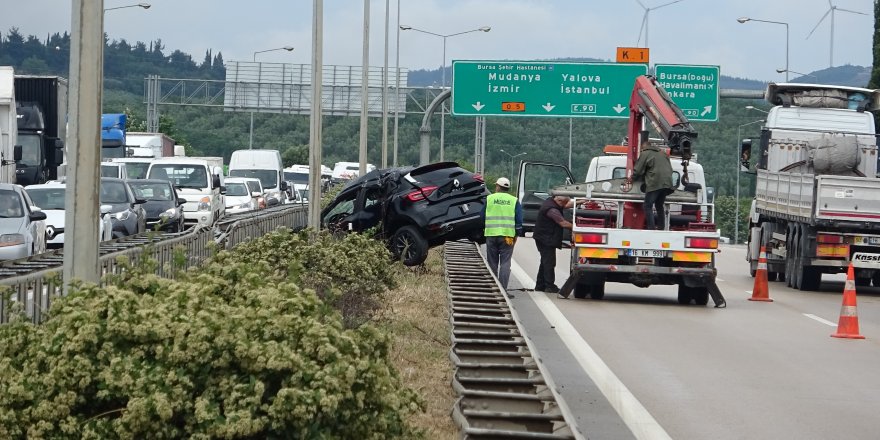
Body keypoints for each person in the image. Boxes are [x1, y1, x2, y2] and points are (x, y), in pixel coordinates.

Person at [483, 177, 522, 293]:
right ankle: (502, 290)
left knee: (492, 262)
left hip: (491, 235)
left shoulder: (489, 198)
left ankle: (493, 289)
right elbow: (519, 220)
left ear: (498, 187)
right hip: (507, 236)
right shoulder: (514, 200)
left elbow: (481, 216)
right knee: (505, 263)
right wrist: (516, 235)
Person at [631, 136, 674, 230]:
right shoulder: (663, 153)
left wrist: (631, 179)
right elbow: (670, 169)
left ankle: (651, 228)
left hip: (655, 182)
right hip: (667, 183)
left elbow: (638, 171)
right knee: (659, 205)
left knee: (647, 205)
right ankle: (661, 227)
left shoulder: (645, 153)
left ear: (644, 147)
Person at [532, 195, 573, 293]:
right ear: (559, 200)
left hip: (544, 237)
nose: (565, 206)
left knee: (545, 262)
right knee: (549, 262)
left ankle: (540, 285)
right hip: (545, 239)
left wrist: (581, 201)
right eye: (563, 203)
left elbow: (567, 204)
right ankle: (549, 286)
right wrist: (576, 227)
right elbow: (563, 223)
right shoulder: (551, 210)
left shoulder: (551, 202)